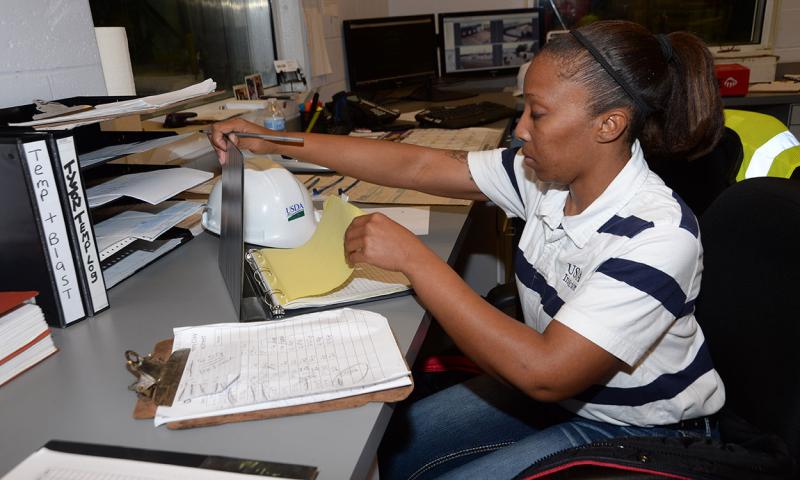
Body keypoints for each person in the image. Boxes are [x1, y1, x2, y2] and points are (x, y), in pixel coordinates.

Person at [209, 20, 726, 480]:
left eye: (538, 114)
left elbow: (545, 374)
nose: (521, 129)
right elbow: (417, 167)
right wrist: (274, 142)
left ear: (608, 124)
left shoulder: (657, 235)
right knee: (393, 454)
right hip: (566, 399)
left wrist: (415, 260)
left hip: (637, 427)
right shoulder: (547, 178)